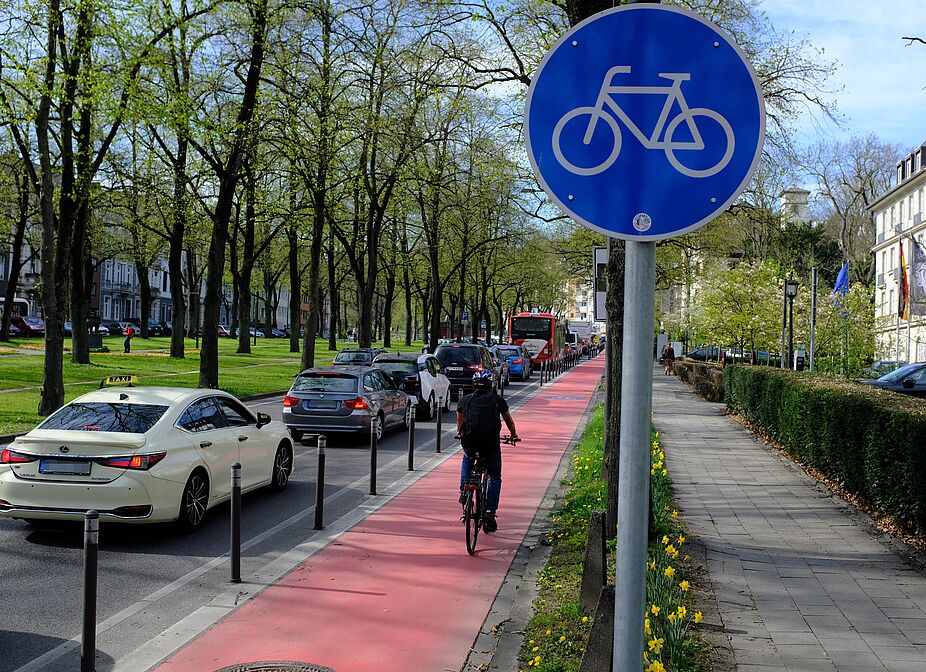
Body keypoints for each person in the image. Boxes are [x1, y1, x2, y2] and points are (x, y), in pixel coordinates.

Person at [456, 369, 519, 533]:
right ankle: (490, 512)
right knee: (494, 477)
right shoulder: (497, 401)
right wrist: (513, 435)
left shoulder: (464, 401)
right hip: (490, 445)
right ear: (490, 385)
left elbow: (460, 424)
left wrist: (461, 435)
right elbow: (509, 422)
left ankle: (464, 490)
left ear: (474, 384)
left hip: (470, 443)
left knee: (467, 458)